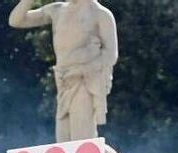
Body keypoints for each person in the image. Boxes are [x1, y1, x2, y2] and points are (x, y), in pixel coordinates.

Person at [9, 0, 119, 142]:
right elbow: (16, 20)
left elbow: (111, 55)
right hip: (63, 81)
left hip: (84, 81)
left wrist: (82, 69)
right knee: (63, 141)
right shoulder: (57, 10)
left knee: (81, 139)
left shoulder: (100, 14)